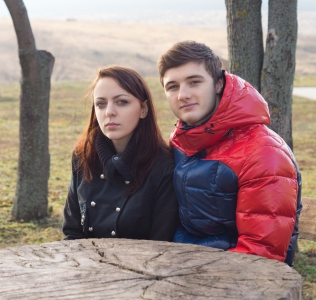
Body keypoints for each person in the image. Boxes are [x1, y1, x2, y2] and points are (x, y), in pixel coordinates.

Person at [157, 41, 302, 266]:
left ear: (217, 84)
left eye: (194, 82)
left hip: (233, 278)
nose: (183, 95)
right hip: (182, 265)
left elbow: (260, 255)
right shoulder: (183, 142)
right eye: (172, 87)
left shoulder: (264, 153)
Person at [63, 66, 179, 241]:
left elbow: (161, 244)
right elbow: (72, 233)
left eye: (121, 102)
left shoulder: (164, 167)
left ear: (143, 109)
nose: (109, 112)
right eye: (100, 104)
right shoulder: (83, 156)